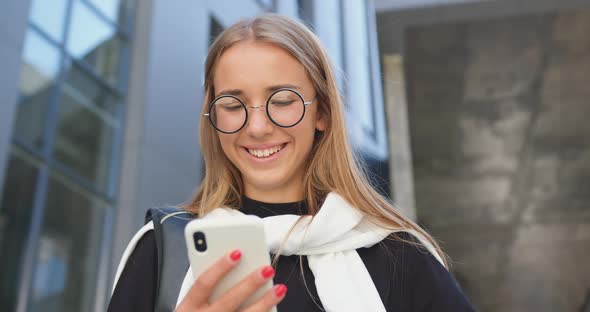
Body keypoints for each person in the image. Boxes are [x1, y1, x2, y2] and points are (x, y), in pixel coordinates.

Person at [107, 14, 475, 312]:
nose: (257, 127)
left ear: (324, 114)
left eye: (282, 100)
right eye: (233, 106)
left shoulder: (400, 257)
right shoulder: (164, 248)